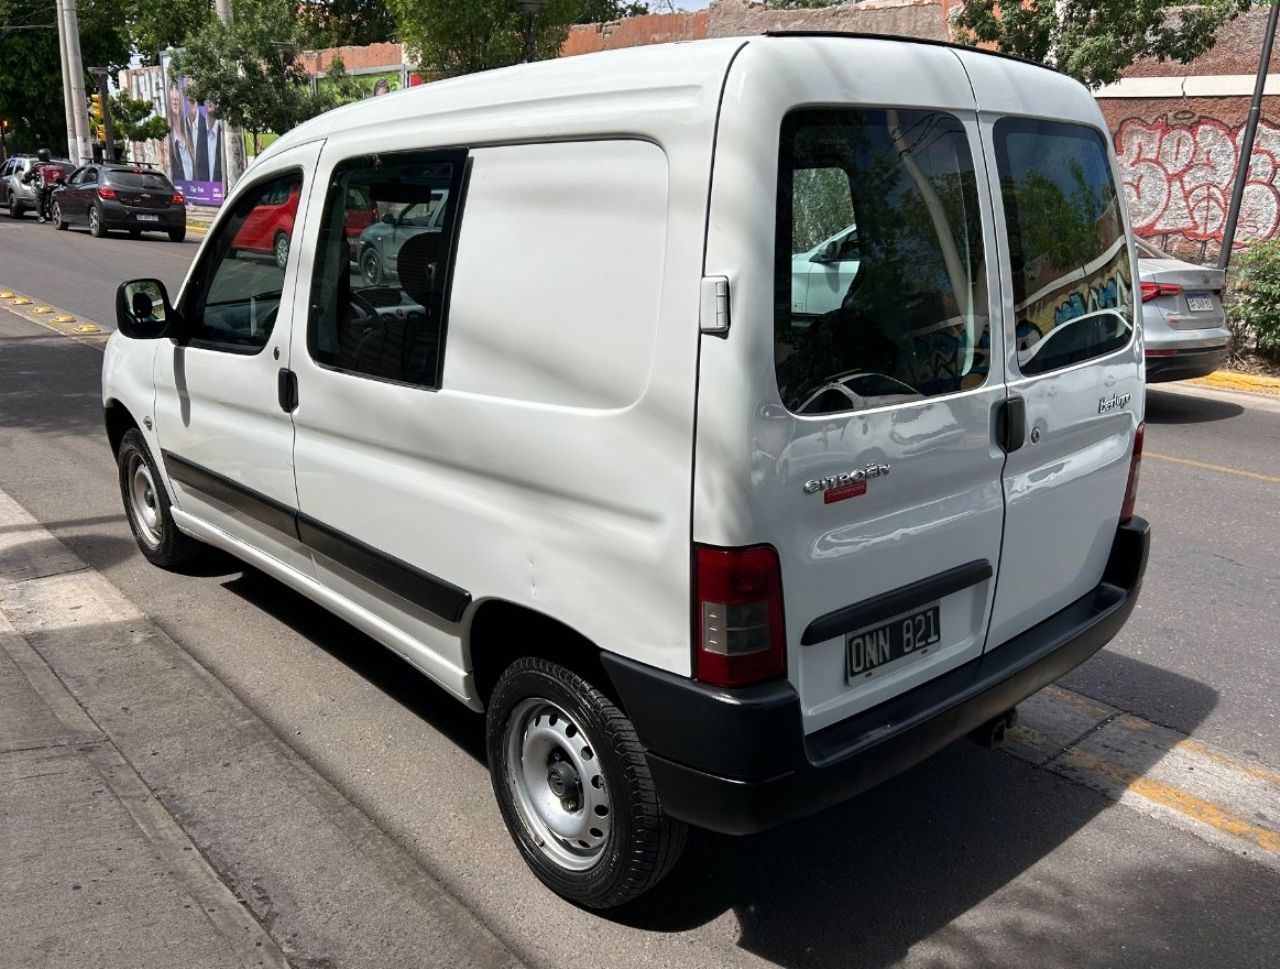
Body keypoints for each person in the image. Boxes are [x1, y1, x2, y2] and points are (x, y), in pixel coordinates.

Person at [21, 148, 64, 224]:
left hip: (41, 186)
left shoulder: (37, 165)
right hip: (53, 186)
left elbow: (27, 174)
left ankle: (41, 217)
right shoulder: (53, 164)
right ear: (48, 156)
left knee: (39, 200)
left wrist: (26, 178)